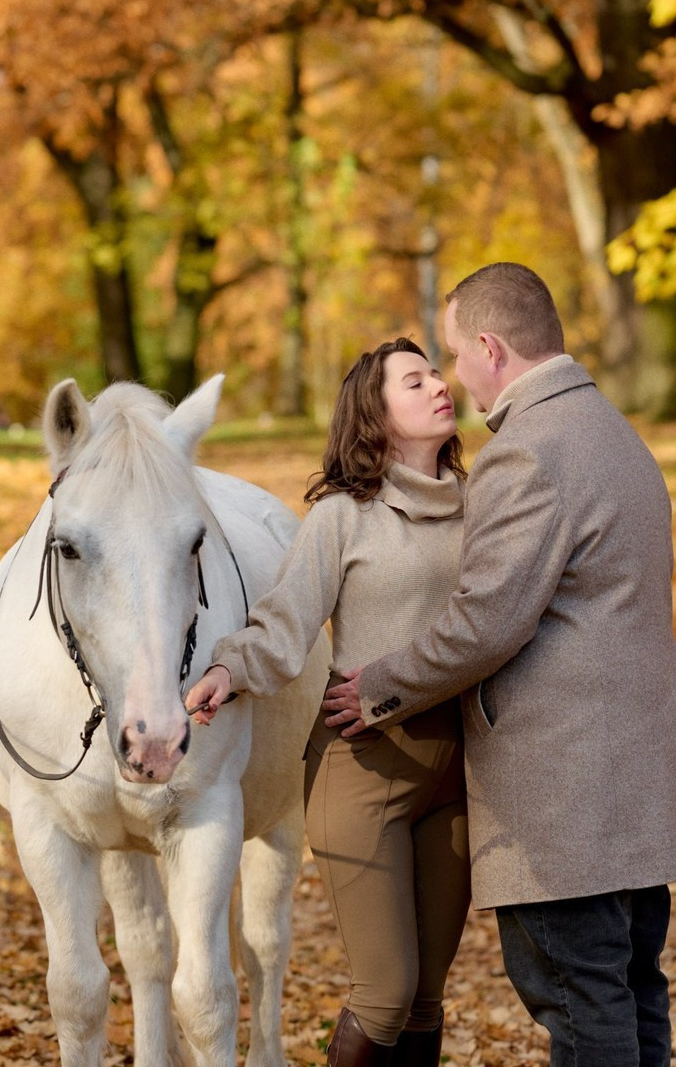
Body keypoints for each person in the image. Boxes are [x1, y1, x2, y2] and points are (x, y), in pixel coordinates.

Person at [323, 263, 676, 1067]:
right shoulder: (614, 431)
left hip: (566, 800)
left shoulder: (526, 454)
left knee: (581, 1005)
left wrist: (380, 686)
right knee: (633, 993)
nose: (454, 374)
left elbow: (484, 623)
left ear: (492, 348)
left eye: (457, 352)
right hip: (638, 783)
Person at [184, 337, 471, 1067]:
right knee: (386, 989)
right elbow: (287, 623)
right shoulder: (344, 517)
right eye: (416, 381)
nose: (439, 385)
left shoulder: (485, 502)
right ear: (376, 415)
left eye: (436, 372)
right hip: (365, 766)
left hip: (463, 773)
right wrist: (230, 668)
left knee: (427, 997)